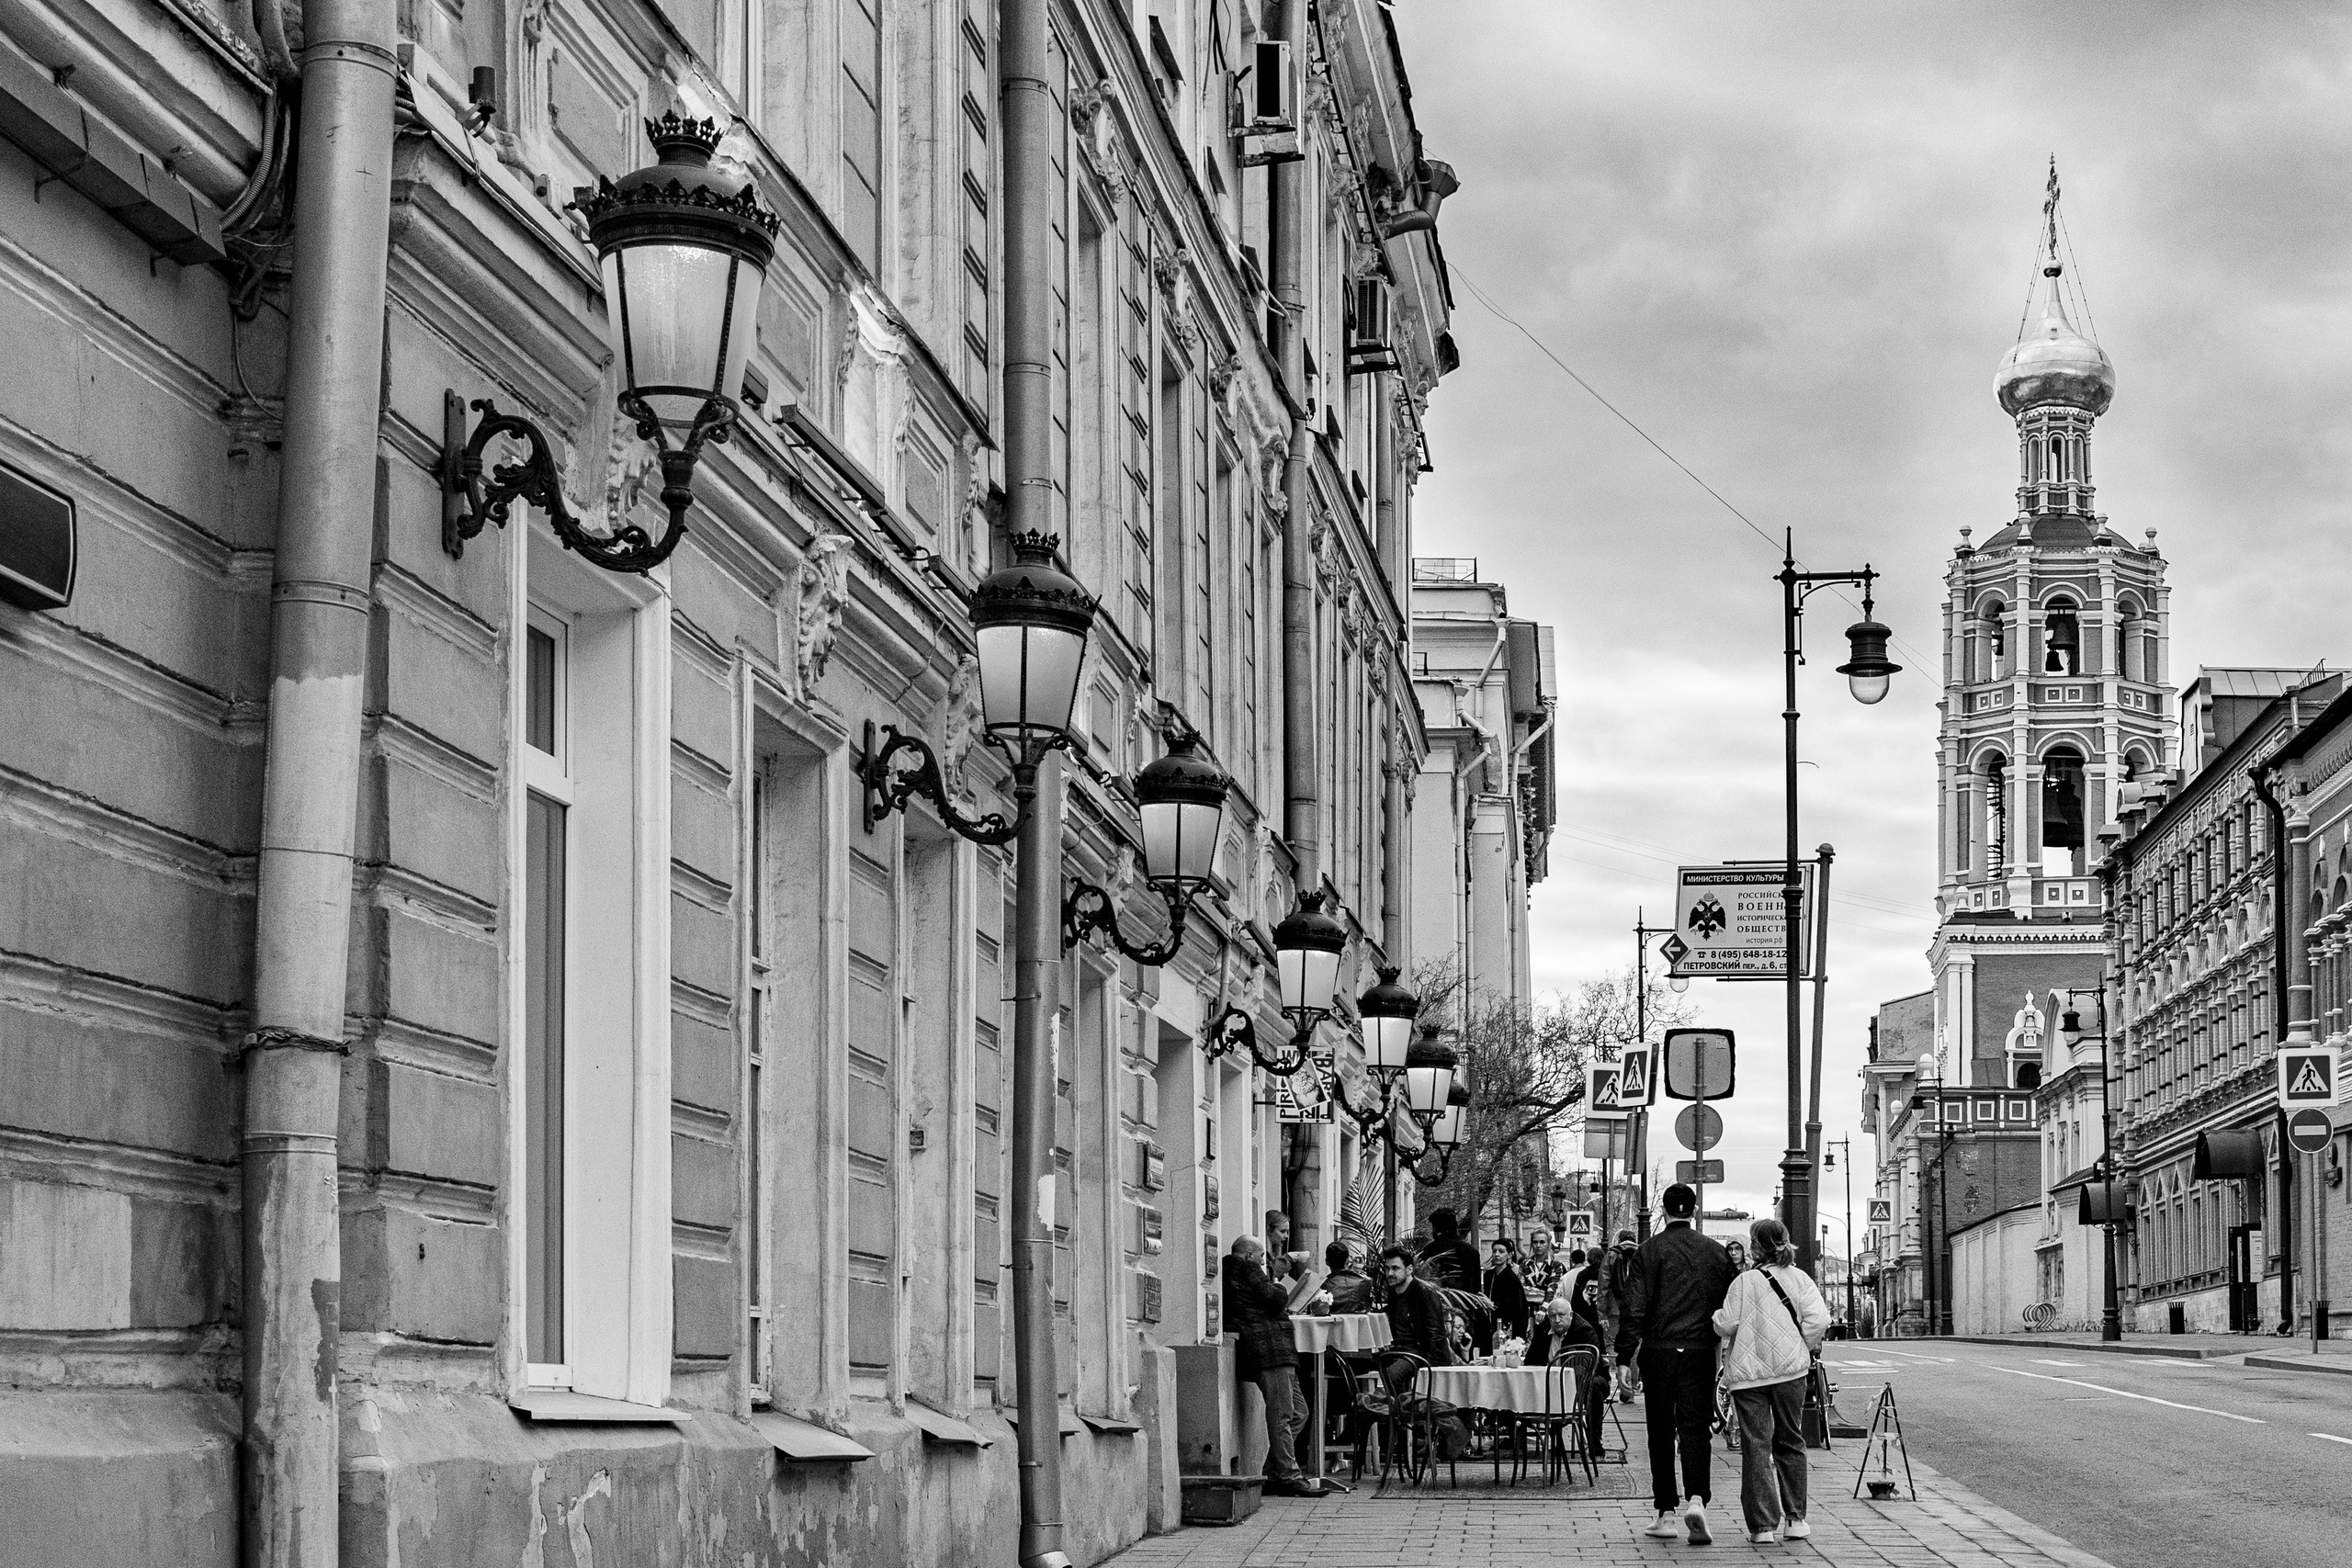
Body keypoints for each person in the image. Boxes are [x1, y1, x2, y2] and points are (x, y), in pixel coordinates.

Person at [1625, 1184, 1736, 1546]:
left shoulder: (1648, 1251)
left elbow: (1635, 1308)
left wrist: (1627, 1353)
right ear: (1693, 1209)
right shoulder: (1715, 1252)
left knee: (1660, 1430)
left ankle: (1665, 1512)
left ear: (1665, 1208)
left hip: (1659, 1349)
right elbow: (1728, 1302)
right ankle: (1697, 1499)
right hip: (1700, 1349)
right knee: (1695, 1426)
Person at [1714, 1218, 1831, 1544]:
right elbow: (1819, 1319)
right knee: (1791, 1440)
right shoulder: (1800, 1279)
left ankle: (1762, 1526)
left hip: (1749, 1377)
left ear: (1754, 1247)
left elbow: (1726, 1325)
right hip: (1790, 1373)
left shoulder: (1743, 1282)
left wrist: (1715, 1318)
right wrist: (1799, 1347)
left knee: (1756, 1445)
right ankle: (1795, 1520)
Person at [1223, 1235, 1325, 1496]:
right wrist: (1279, 1284)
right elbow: (1273, 1299)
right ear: (1248, 1255)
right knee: (1282, 1416)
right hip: (1270, 1349)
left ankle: (1272, 1474)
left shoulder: (1237, 1271)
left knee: (1299, 1412)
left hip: (1273, 1349)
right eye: (1260, 1256)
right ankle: (1290, 1477)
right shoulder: (1247, 1269)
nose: (1263, 1262)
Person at [1379, 1244, 1456, 1366]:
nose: (1389, 1273)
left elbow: (1435, 1334)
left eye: (1395, 1268)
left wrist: (1429, 1364)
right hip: (1398, 1351)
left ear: (1409, 1269)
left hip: (1419, 1352)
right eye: (1387, 1268)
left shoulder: (1424, 1292)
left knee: (1393, 1374)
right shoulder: (1393, 1293)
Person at [1605, 1230, 1644, 1402]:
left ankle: (1623, 1383)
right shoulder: (1642, 1253)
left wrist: (1601, 1311)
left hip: (1614, 1308)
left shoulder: (1612, 1255)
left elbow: (1604, 1283)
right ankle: (1632, 1387)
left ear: (1620, 1240)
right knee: (1634, 1347)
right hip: (1636, 1308)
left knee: (1614, 1344)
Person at [1416, 1207, 1481, 1288]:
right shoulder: (1471, 1251)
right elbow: (1476, 1286)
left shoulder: (1429, 1250)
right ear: (1455, 1226)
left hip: (1437, 1297)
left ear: (1435, 1228)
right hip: (1465, 1299)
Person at [1484, 1238, 1531, 1341]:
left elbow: (1517, 1306)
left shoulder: (1512, 1278)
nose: (1496, 1254)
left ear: (1509, 1255)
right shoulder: (1488, 1275)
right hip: (1489, 1324)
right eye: (1494, 1251)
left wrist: (1493, 1304)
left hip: (1507, 1325)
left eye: (1501, 1251)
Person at [1324, 1240, 1375, 1313]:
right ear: (1348, 1261)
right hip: (1358, 1324)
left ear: (1326, 1262)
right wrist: (1356, 1272)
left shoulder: (1322, 1286)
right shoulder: (1366, 1282)